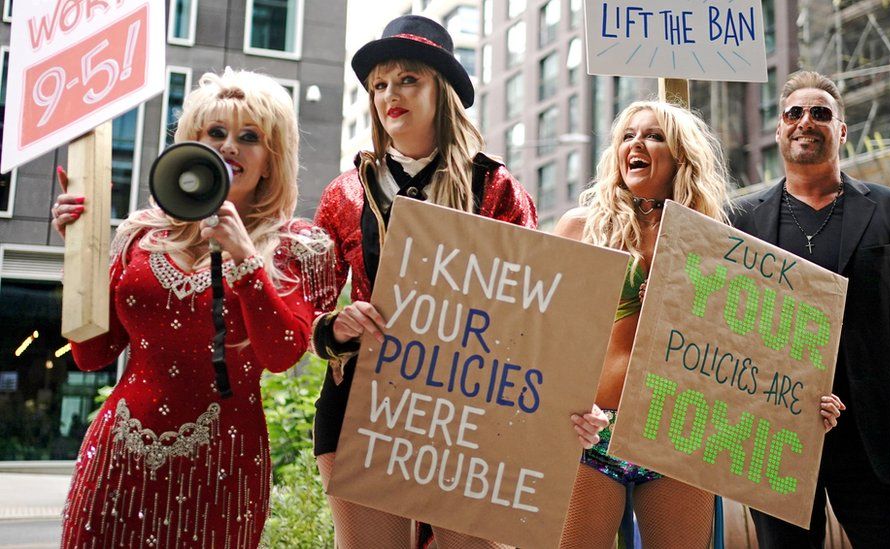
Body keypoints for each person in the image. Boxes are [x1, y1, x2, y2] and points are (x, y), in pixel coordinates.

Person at [308, 14, 606, 549]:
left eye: (407, 79)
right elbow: (307, 310)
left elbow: (537, 317)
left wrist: (572, 403)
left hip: (470, 413)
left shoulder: (497, 188)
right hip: (364, 404)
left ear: (439, 89)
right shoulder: (344, 192)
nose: (388, 95)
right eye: (378, 84)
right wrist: (338, 324)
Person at [54, 68, 334, 548]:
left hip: (221, 469)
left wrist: (245, 255)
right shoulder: (140, 236)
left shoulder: (296, 246)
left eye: (250, 137)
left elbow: (283, 354)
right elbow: (91, 355)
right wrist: (78, 252)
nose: (230, 147)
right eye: (216, 133)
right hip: (117, 460)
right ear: (192, 143)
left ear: (271, 161)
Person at [553, 99, 846, 548]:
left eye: (653, 136)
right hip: (593, 436)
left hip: (677, 436)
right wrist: (567, 406)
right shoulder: (582, 228)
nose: (637, 143)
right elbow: (549, 336)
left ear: (679, 157)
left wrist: (805, 405)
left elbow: (759, 351)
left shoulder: (716, 243)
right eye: (629, 135)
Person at [732, 70, 890, 547]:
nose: (806, 122)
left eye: (820, 113)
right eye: (794, 113)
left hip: (873, 435)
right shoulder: (741, 219)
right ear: (779, 129)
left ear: (841, 130)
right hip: (776, 433)